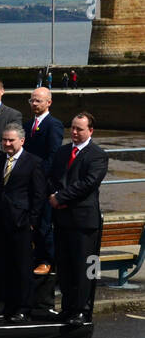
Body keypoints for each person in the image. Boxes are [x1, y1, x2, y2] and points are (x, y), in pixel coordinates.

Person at [49, 113, 108, 325]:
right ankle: (68, 307)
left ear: (90, 131)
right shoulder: (63, 152)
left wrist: (60, 197)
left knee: (86, 268)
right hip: (63, 219)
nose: (74, 132)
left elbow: (88, 184)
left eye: (79, 129)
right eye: (72, 128)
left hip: (85, 222)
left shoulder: (98, 155)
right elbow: (54, 177)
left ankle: (83, 309)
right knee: (65, 266)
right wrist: (54, 195)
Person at [0, 124, 47, 322]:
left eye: (11, 140)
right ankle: (6, 304)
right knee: (3, 265)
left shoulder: (33, 162)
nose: (7, 143)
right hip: (1, 221)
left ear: (21, 141)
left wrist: (32, 221)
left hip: (22, 222)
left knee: (22, 267)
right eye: (4, 140)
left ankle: (23, 307)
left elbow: (39, 195)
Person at [24, 87, 64, 278]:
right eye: (32, 100)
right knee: (32, 223)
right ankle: (35, 257)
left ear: (49, 102)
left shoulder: (54, 124)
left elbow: (54, 154)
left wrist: (38, 176)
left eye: (38, 101)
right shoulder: (27, 125)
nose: (34, 104)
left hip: (44, 183)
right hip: (28, 183)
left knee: (44, 224)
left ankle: (47, 260)